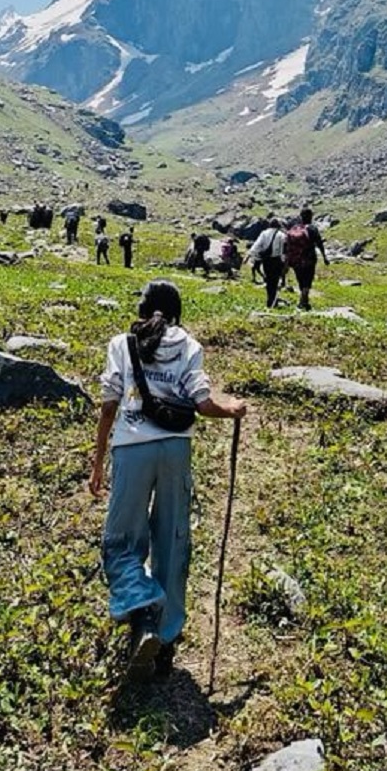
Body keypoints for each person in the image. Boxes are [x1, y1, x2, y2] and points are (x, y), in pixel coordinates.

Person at [89, 280, 246, 677]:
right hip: (176, 450)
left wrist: (98, 461)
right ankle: (166, 636)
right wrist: (232, 409)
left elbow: (109, 406)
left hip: (131, 449)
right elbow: (203, 403)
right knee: (173, 538)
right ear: (177, 313)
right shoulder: (189, 346)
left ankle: (142, 606)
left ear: (142, 310)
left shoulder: (121, 344)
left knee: (121, 540)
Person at [284, 206, 328, 311]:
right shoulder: (312, 228)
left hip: (295, 260)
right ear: (311, 216)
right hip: (309, 258)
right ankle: (304, 299)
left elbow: (286, 245)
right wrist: (324, 257)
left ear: (301, 217)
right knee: (308, 279)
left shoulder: (294, 228)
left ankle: (303, 298)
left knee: (300, 278)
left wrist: (287, 260)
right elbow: (319, 243)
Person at [248, 217, 286, 308]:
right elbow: (284, 249)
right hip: (277, 260)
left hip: (266, 260)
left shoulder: (264, 233)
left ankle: (270, 299)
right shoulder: (281, 235)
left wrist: (250, 255)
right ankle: (274, 299)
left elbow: (257, 245)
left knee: (269, 280)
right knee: (275, 280)